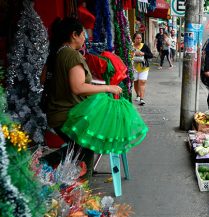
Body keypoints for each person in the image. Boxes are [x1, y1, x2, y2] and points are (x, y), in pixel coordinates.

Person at [44, 17, 122, 178]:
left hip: (57, 113)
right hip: (68, 114)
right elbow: (78, 87)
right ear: (74, 35)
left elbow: (43, 79)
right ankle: (44, 164)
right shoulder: (72, 55)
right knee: (86, 147)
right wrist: (108, 87)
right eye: (83, 34)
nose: (85, 37)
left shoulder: (56, 53)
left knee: (80, 148)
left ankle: (58, 175)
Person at [132, 32, 153, 105]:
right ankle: (138, 95)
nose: (139, 39)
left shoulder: (144, 46)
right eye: (137, 38)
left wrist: (143, 54)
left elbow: (151, 55)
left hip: (144, 68)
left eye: (140, 38)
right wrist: (132, 54)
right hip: (133, 68)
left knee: (142, 82)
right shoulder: (131, 46)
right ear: (134, 39)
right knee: (135, 82)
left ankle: (142, 99)